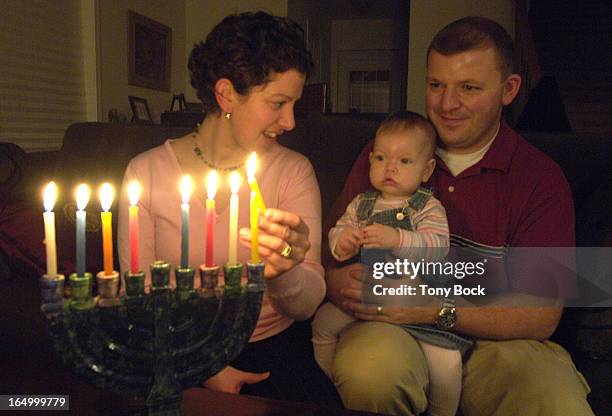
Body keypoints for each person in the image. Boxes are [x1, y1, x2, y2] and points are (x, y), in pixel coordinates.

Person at [324, 16, 593, 416]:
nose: (447, 104)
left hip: (499, 343)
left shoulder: (539, 178)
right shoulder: (385, 156)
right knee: (372, 369)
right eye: (436, 85)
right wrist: (346, 282)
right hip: (393, 328)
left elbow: (541, 314)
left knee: (552, 397)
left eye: (468, 88)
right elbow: (330, 266)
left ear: (509, 90)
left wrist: (434, 307)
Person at [117, 11, 340, 405]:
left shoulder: (293, 172)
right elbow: (141, 296)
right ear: (225, 95)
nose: (289, 121)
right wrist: (203, 367)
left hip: (272, 349)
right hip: (174, 347)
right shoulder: (145, 172)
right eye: (277, 103)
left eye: (294, 105)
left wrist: (284, 271)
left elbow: (306, 307)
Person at [313, 110, 471, 416]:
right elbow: (339, 231)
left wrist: (396, 239)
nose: (390, 168)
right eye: (381, 158)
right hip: (367, 303)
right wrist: (342, 243)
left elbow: (437, 247)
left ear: (426, 171)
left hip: (420, 302)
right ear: (370, 159)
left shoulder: (426, 206)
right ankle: (328, 389)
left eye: (404, 161)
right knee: (322, 324)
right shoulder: (362, 204)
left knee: (447, 362)